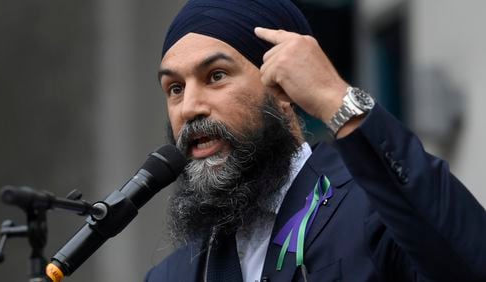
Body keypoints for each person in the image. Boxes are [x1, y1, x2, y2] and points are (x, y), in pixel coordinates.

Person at [145, 0, 486, 281]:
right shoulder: (174, 274)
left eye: (216, 76)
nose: (188, 107)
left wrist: (335, 98)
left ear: (282, 87)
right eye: (175, 88)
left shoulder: (373, 211)